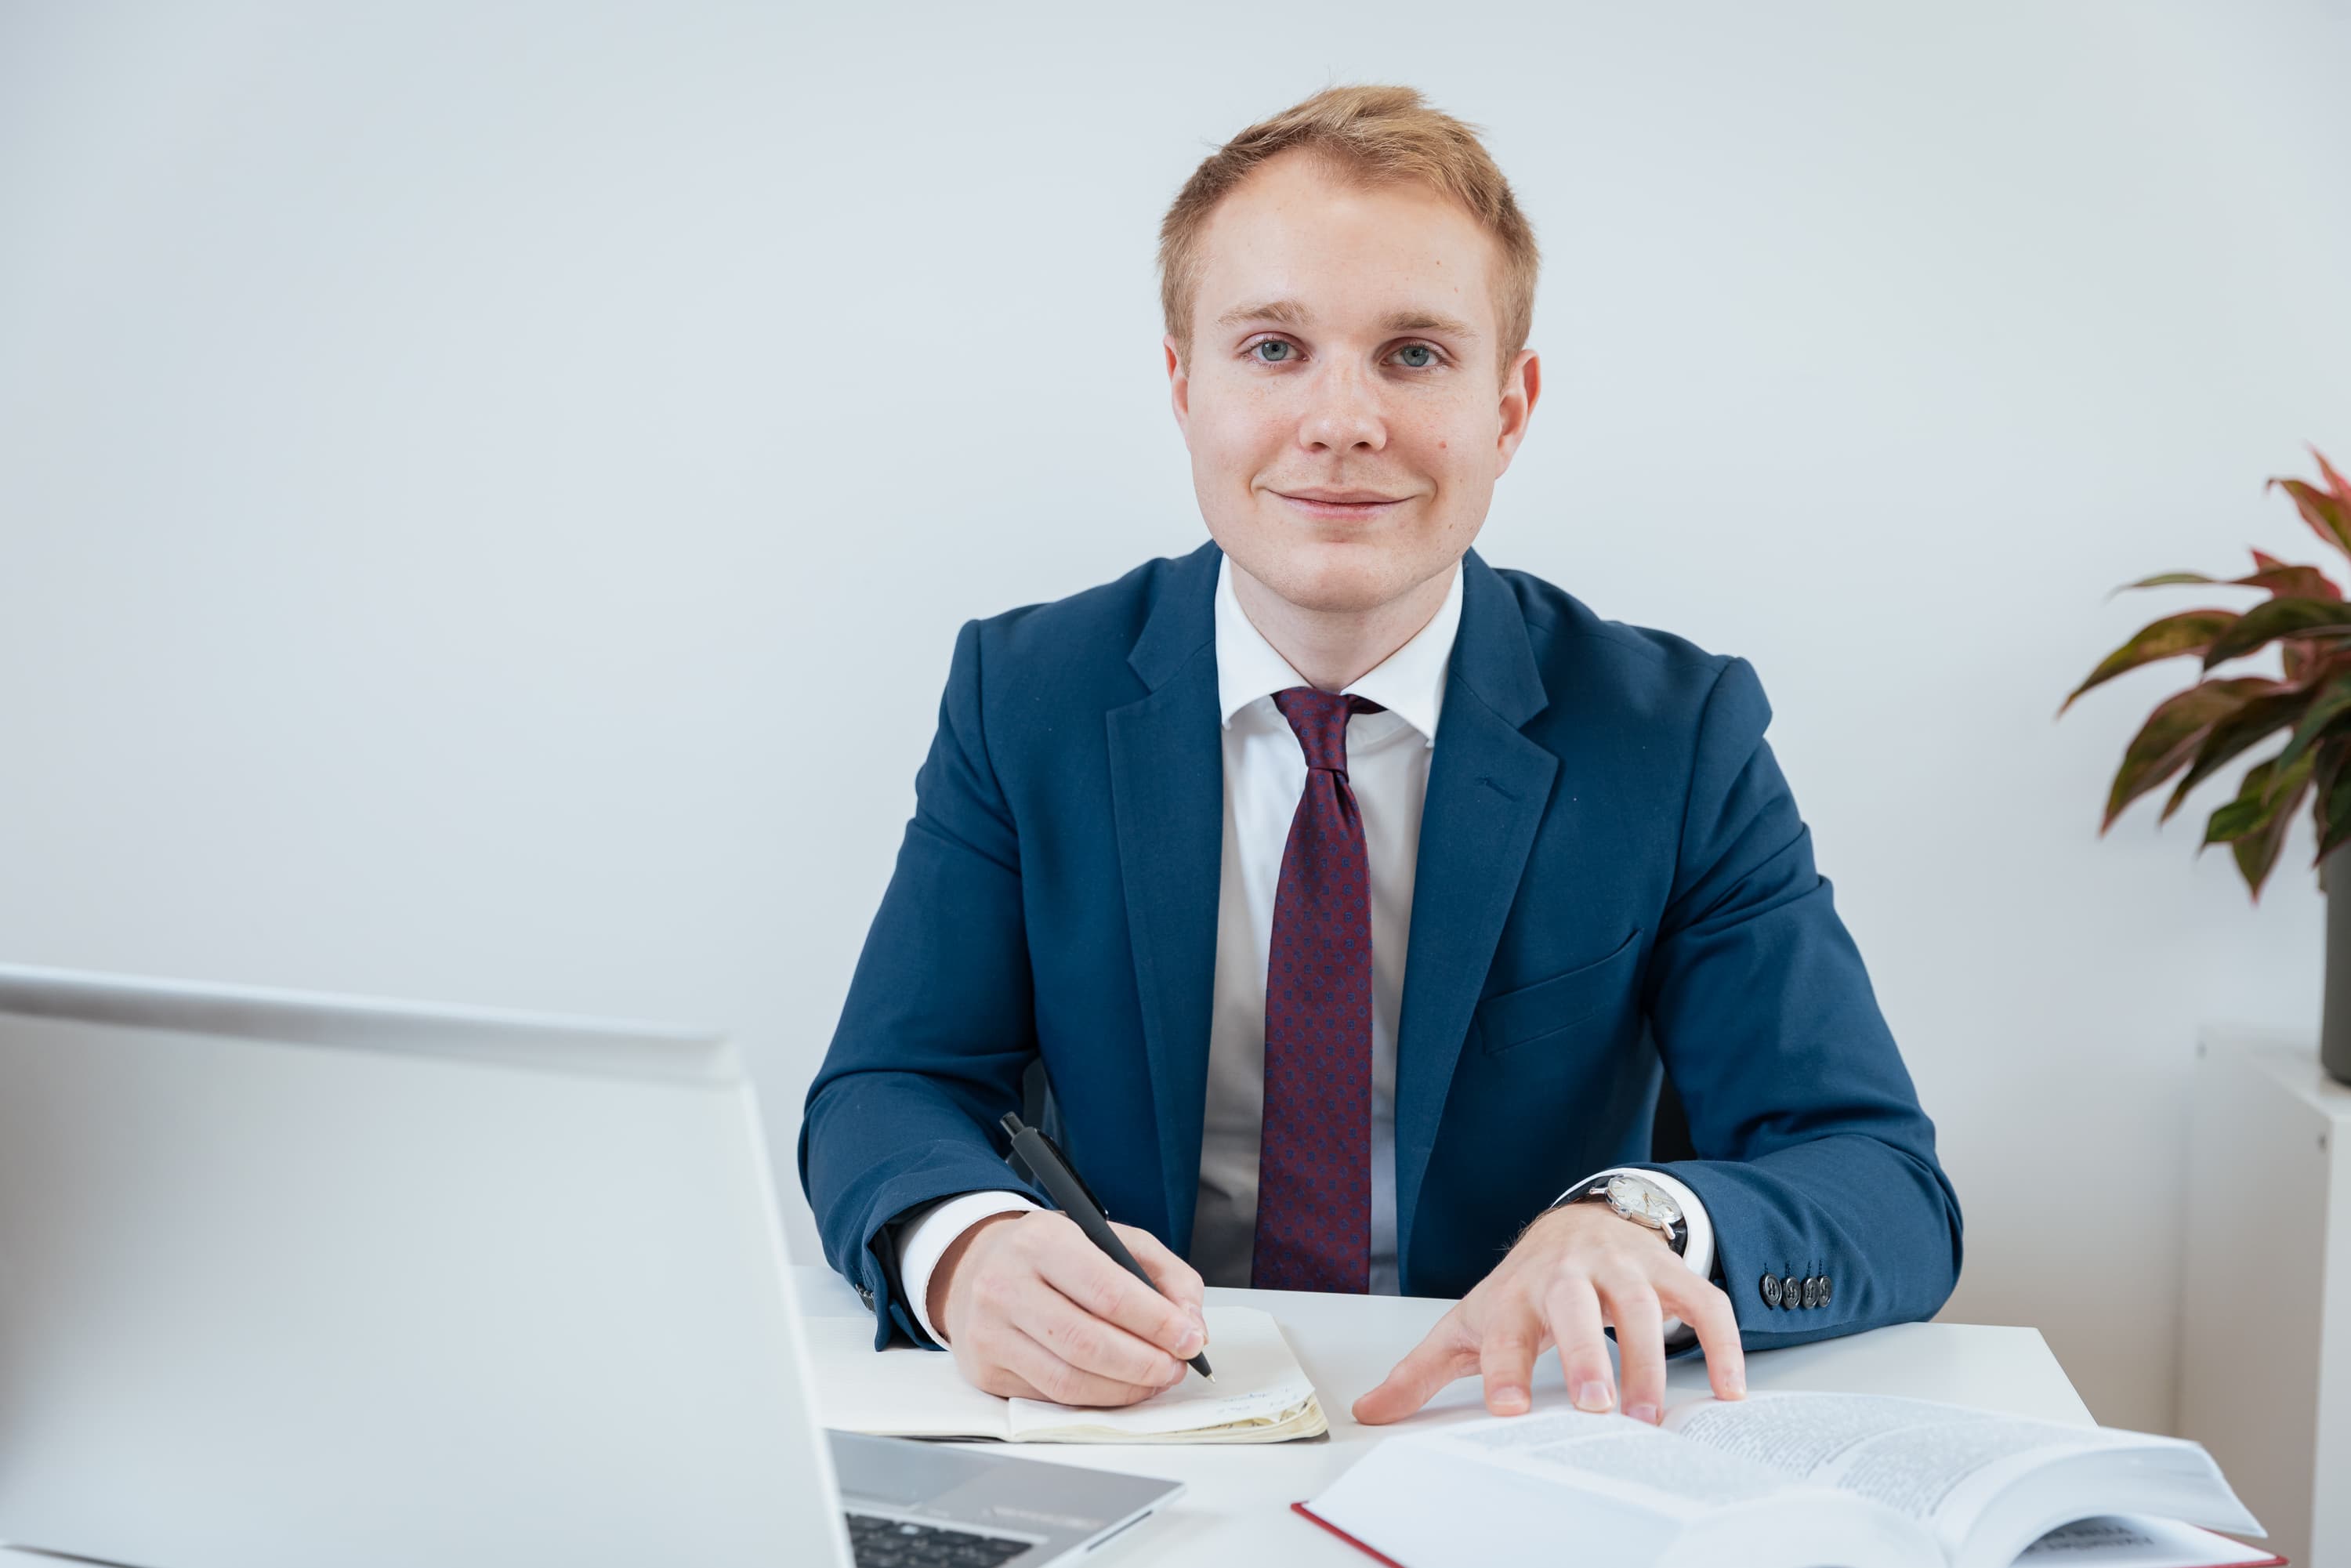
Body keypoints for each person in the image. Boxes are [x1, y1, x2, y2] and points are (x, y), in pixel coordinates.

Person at [798, 83, 1961, 1430]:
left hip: (1513, 1436)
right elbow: (888, 1088)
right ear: (1184, 387)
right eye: (1275, 347)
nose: (1343, 419)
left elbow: (1884, 1181)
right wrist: (967, 1248)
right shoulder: (1025, 697)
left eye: (1415, 354)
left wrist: (1638, 1220)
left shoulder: (1672, 735)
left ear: (1511, 408)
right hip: (1129, 1431)